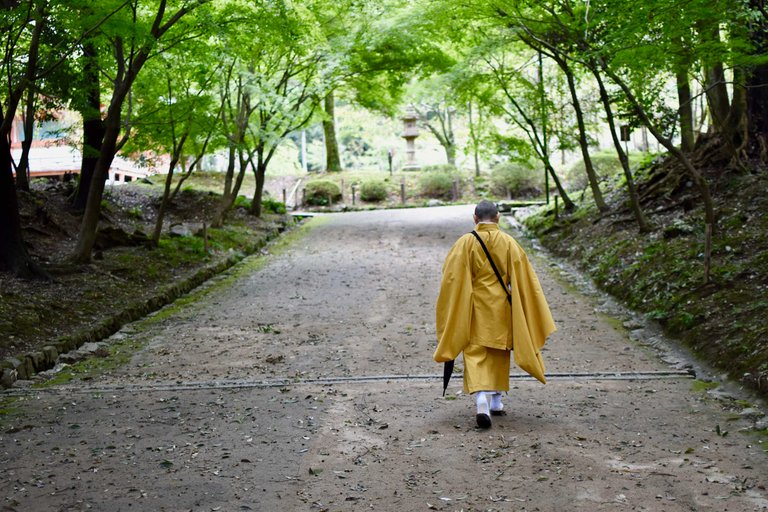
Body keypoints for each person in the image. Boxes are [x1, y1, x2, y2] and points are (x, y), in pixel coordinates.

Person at [434, 200, 556, 428]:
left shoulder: (465, 243)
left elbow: (451, 279)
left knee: (475, 350)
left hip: (474, 307)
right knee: (499, 351)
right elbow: (526, 279)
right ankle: (496, 400)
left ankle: (481, 398)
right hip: (501, 307)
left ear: (475, 218)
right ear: (498, 218)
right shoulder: (509, 243)